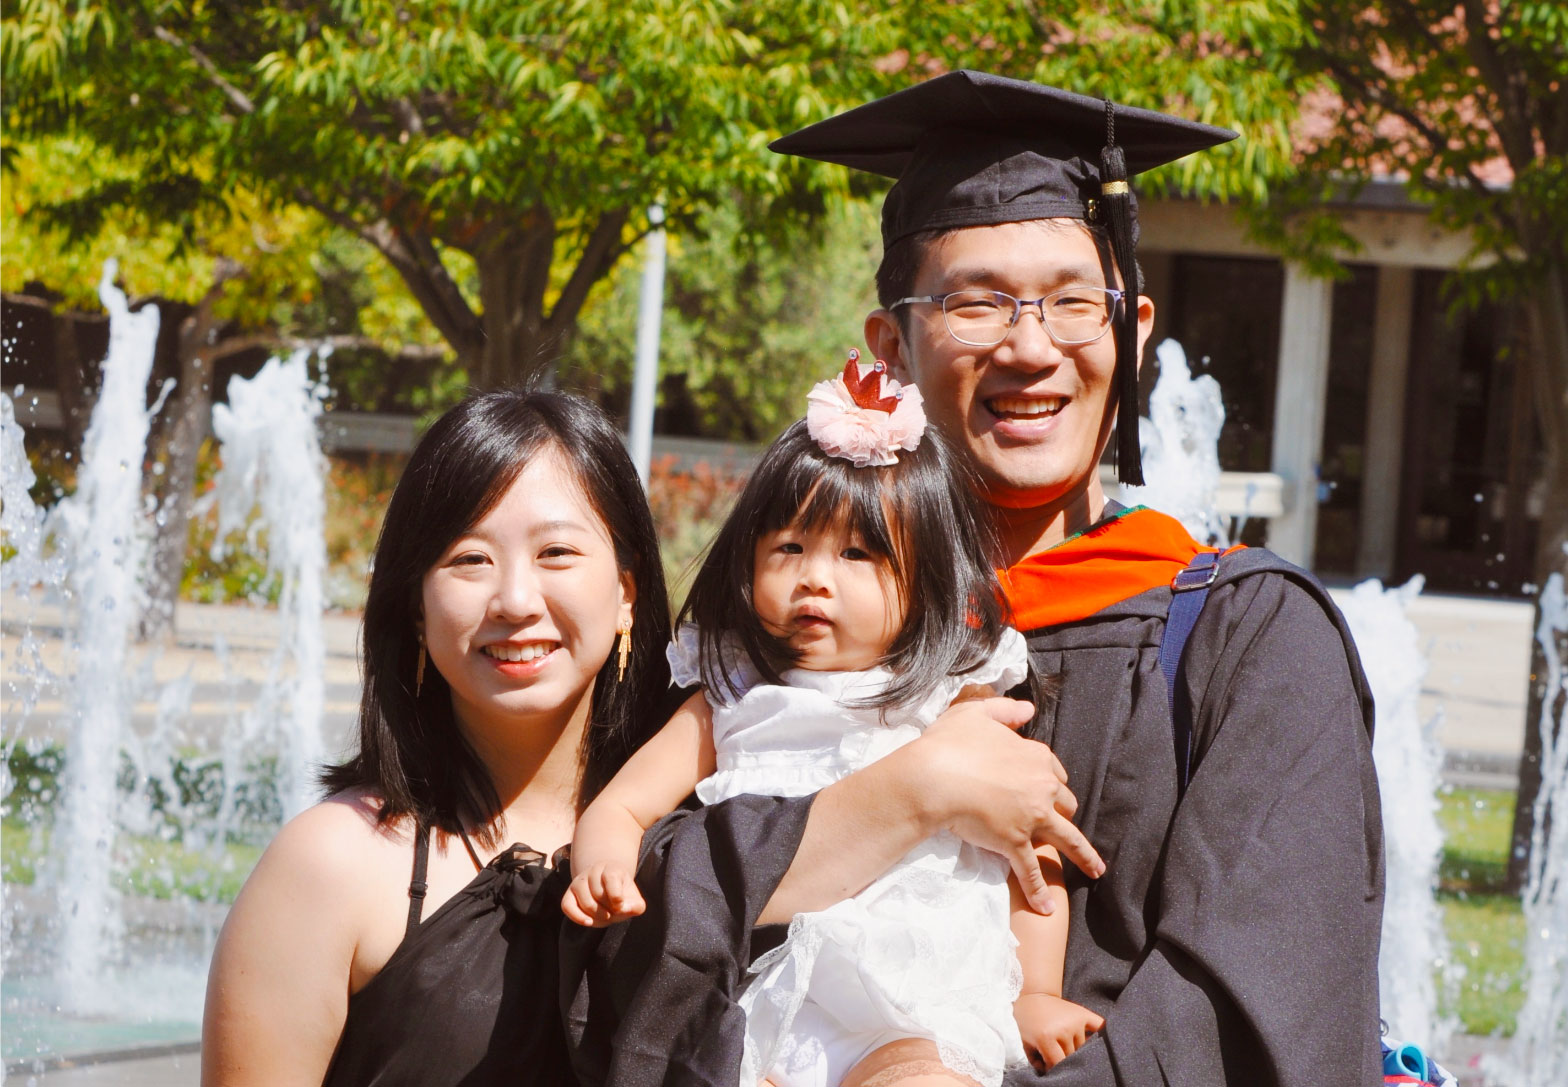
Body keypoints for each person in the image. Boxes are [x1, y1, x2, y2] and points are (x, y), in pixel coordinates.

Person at [567, 71, 1383, 1087]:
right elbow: (627, 916)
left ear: (1127, 335)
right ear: (888, 348)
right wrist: (902, 796)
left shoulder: (1248, 635)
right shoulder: (788, 634)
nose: (1031, 347)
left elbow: (1250, 1005)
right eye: (976, 302)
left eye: (1070, 304)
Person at [565, 355, 1103, 1087]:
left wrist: (1035, 988)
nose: (815, 575)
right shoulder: (729, 693)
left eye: (857, 553)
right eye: (788, 547)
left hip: (913, 998)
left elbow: (1031, 844)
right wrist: (602, 860)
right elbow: (625, 803)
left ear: (925, 583)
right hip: (760, 995)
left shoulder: (950, 698)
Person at [200, 391, 676, 1086]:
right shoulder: (331, 864)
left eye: (556, 551)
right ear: (417, 611)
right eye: (469, 558)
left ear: (627, 593)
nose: (514, 599)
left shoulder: (702, 833)